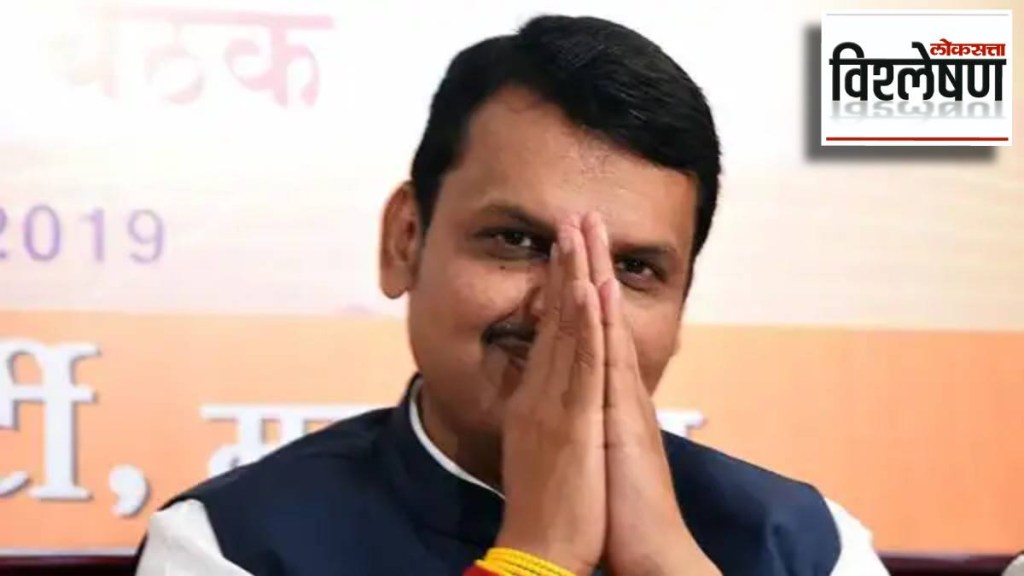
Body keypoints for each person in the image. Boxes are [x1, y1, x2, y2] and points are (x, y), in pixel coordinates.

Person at [134, 14, 889, 576]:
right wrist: (540, 554)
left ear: (683, 302)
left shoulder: (807, 548)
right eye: (518, 242)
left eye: (634, 269)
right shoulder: (231, 548)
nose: (568, 306)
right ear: (405, 241)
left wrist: (665, 561)